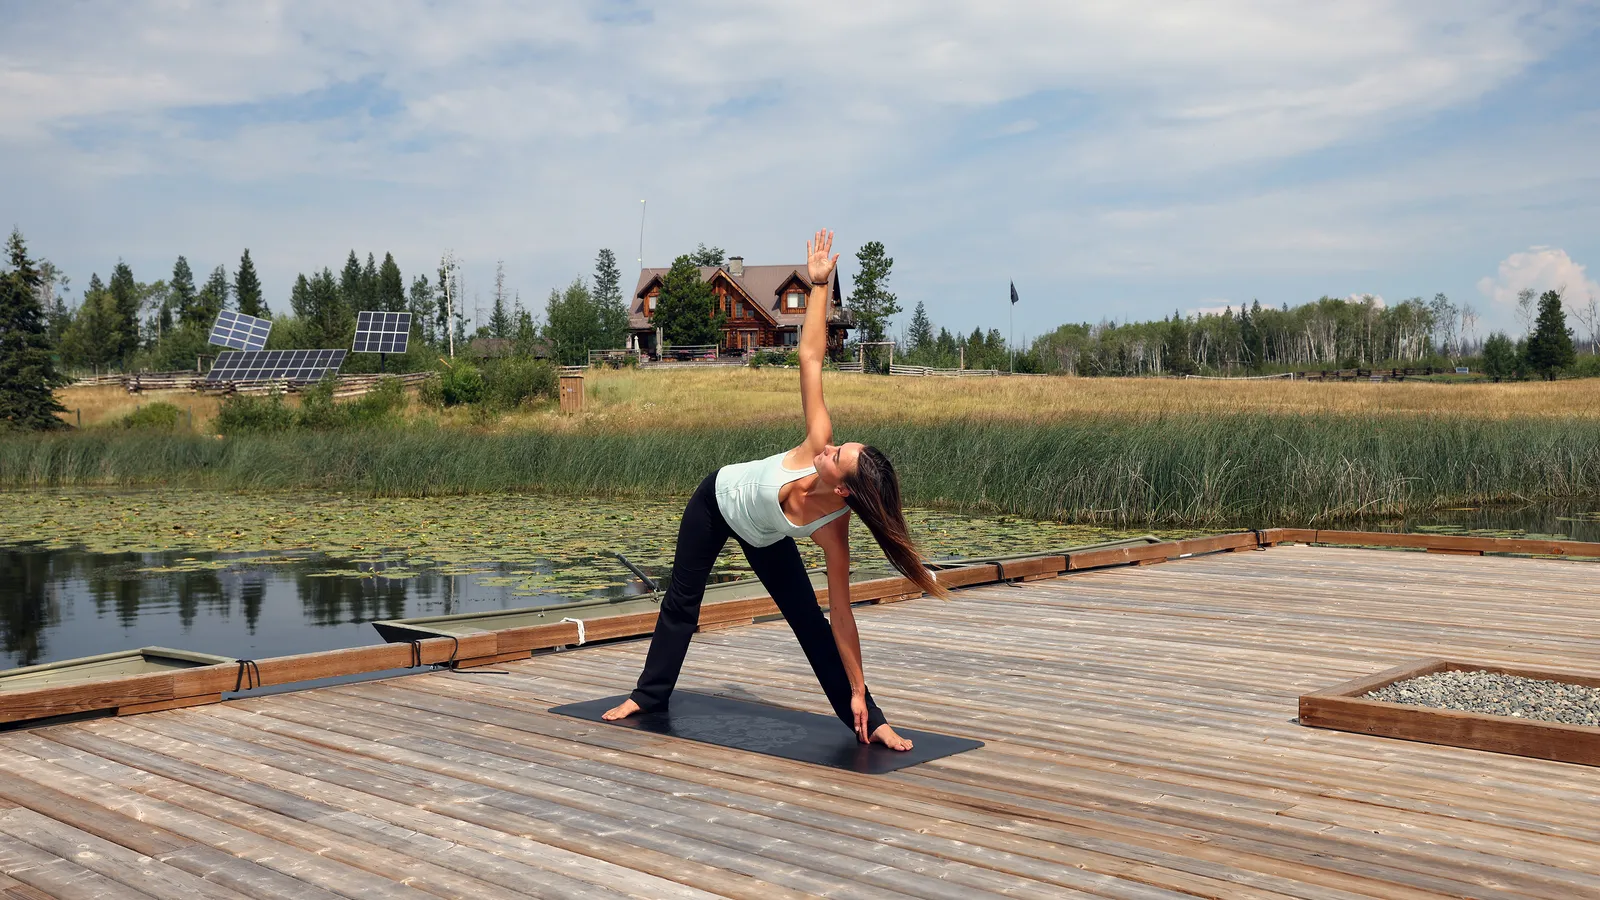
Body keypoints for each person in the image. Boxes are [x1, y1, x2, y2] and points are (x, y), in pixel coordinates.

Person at [603, 229, 948, 750]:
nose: (830, 450)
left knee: (810, 624)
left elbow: (841, 616)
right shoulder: (816, 443)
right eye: (838, 447)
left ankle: (869, 718)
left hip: (764, 537)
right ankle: (649, 695)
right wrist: (817, 287)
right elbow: (810, 356)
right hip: (716, 503)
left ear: (847, 492)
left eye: (839, 457)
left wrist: (860, 690)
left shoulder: (834, 529)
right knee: (682, 601)